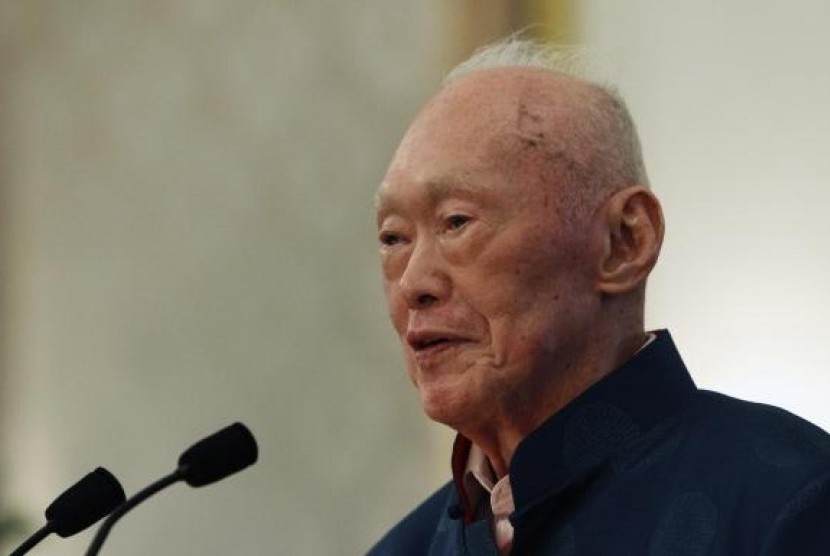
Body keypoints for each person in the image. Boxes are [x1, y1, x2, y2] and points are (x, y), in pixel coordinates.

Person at [368, 38, 830, 556]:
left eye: (457, 222)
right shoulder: (402, 549)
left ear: (624, 242)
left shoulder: (794, 503)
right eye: (393, 238)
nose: (413, 284)